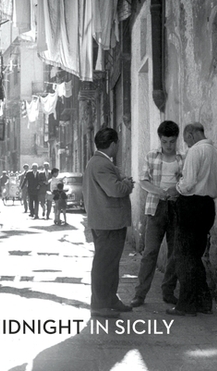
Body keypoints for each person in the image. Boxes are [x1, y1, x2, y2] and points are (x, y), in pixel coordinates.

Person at [166, 122, 217, 316]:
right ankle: (203, 301)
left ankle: (187, 304)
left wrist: (176, 188)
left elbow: (189, 183)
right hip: (208, 206)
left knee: (184, 256)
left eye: (186, 139)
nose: (187, 143)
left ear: (191, 134)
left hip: (191, 206)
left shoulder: (195, 151)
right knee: (195, 256)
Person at [130, 121, 184, 308]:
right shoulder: (151, 156)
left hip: (176, 208)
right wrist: (159, 191)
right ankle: (140, 294)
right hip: (155, 208)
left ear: (176, 140)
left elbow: (187, 183)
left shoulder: (182, 158)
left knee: (175, 252)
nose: (168, 145)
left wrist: (174, 190)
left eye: (171, 142)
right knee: (150, 252)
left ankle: (168, 292)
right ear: (160, 140)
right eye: (165, 141)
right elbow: (143, 181)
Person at [83, 127, 134, 318]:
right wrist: (128, 184)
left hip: (108, 221)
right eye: (117, 144)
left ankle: (110, 299)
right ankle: (100, 304)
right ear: (112, 144)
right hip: (108, 222)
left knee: (110, 263)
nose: (118, 147)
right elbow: (115, 190)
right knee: (104, 264)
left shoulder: (98, 162)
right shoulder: (101, 164)